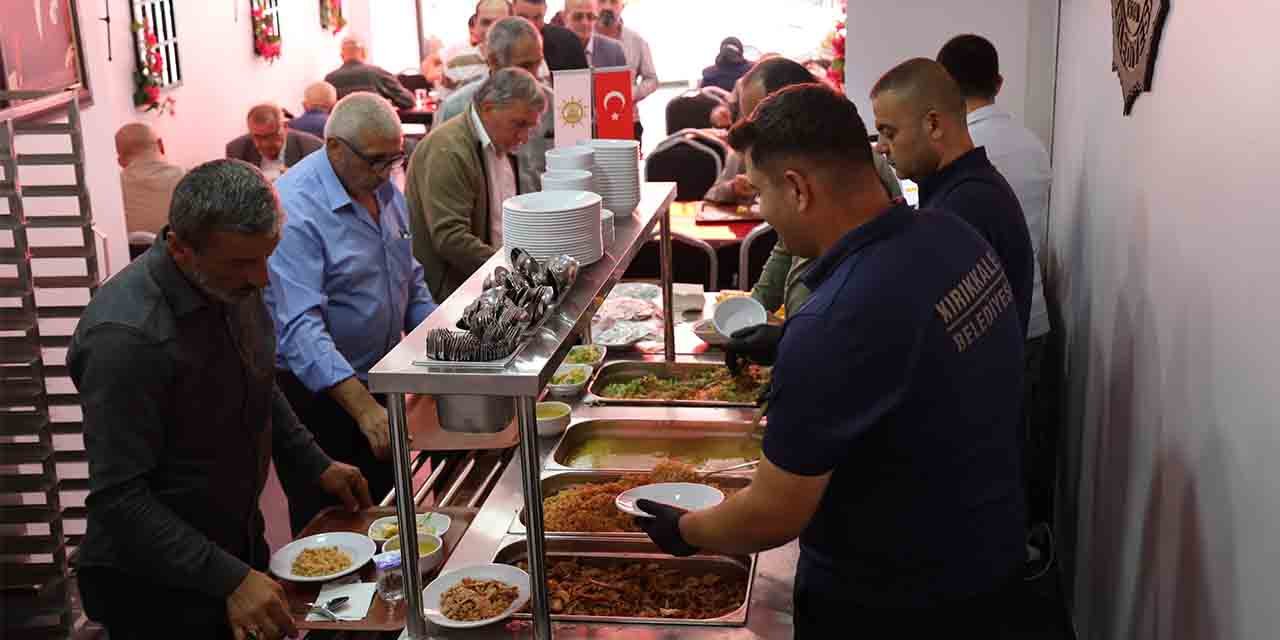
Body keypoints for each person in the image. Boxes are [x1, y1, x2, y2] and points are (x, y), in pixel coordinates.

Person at [635, 84, 1026, 638]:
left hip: (896, 601)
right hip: (989, 556)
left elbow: (774, 510)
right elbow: (916, 363)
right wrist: (790, 336)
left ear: (796, 189)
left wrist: (690, 530)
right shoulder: (951, 231)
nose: (764, 210)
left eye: (762, 192)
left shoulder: (838, 321)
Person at [70, 159, 372, 640]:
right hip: (155, 584)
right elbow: (120, 499)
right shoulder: (126, 339)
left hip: (233, 541)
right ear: (181, 249)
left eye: (266, 257)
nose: (262, 279)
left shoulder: (232, 284)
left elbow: (258, 383)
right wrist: (227, 577)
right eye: (242, 263)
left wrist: (315, 462)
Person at [265, 93, 437, 534]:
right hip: (318, 394)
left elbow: (409, 280)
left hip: (378, 379)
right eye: (376, 161)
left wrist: (446, 347)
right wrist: (362, 408)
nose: (385, 173)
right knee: (334, 524)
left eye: (393, 160)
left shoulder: (382, 187)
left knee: (388, 515)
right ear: (336, 148)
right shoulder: (296, 209)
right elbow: (301, 329)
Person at [938, 33, 1055, 573]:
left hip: (981, 327)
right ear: (1000, 83)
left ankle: (1002, 560)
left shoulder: (961, 158)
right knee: (1017, 441)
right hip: (1031, 311)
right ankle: (1022, 550)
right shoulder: (1030, 142)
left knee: (987, 450)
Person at [707, 57, 901, 316]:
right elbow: (784, 249)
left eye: (760, 115)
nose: (750, 124)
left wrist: (794, 333)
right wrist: (751, 312)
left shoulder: (852, 166)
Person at [870, 58, 1035, 337]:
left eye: (889, 133)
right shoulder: (968, 189)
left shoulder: (963, 206)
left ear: (933, 124)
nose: (882, 148)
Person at [406, 68, 547, 301]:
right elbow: (450, 238)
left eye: (529, 128)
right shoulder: (448, 151)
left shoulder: (498, 143)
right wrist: (515, 270)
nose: (523, 137)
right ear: (488, 108)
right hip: (453, 296)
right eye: (518, 124)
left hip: (489, 284)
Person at [438, 16, 551, 192]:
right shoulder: (458, 107)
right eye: (526, 66)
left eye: (538, 63)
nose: (534, 76)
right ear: (493, 61)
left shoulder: (552, 103)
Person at [595, 0, 658, 140]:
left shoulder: (637, 40)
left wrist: (631, 93)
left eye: (613, 2)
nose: (607, 7)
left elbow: (652, 79)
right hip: (591, 125)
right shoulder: (580, 40)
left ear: (623, 5)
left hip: (628, 121)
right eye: (601, 1)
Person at [114, 122, 185, 238]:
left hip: (134, 255)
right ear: (161, 145)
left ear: (120, 161)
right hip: (179, 253)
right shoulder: (186, 179)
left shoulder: (115, 187)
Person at [225, 103, 323, 182]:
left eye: (270, 136)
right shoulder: (237, 150)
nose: (264, 144)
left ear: (285, 127)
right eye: (257, 137)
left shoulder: (312, 148)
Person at [325, 34, 415, 110]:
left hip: (342, 130)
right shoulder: (378, 73)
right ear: (364, 53)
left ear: (342, 56)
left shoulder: (329, 80)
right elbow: (408, 101)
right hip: (377, 129)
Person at [443, 1, 513, 90]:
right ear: (475, 24)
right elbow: (445, 103)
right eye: (486, 22)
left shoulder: (526, 61)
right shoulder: (455, 65)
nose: (491, 29)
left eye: (499, 23)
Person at [564, 0, 627, 69]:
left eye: (590, 16)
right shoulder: (553, 50)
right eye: (578, 16)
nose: (585, 23)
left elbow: (620, 79)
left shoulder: (614, 51)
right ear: (565, 17)